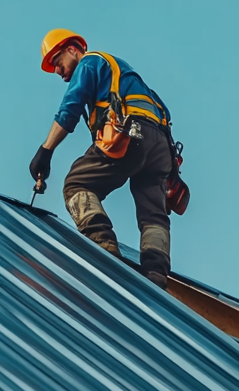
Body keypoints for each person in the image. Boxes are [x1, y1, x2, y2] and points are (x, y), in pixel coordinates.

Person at [29, 29, 175, 288]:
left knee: (77, 184)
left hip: (132, 134)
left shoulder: (90, 63)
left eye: (57, 62)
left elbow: (70, 108)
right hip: (161, 146)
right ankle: (156, 275)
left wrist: (46, 150)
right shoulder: (123, 74)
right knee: (154, 214)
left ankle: (103, 249)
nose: (58, 72)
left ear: (72, 49)